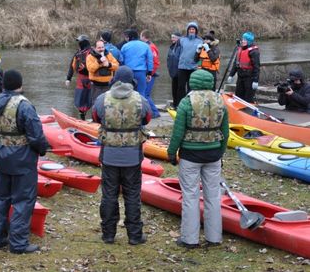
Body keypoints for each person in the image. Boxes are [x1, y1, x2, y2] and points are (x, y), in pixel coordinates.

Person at [0, 70, 50, 254]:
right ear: (20, 84)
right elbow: (36, 136)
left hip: (1, 156)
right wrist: (43, 149)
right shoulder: (24, 105)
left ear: (4, 84)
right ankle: (18, 244)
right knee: (23, 200)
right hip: (22, 159)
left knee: (1, 199)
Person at [167, 70, 229, 248]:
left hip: (191, 156)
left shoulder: (186, 103)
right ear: (210, 82)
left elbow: (178, 132)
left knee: (191, 196)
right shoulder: (220, 101)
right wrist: (221, 152)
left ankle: (189, 238)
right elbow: (225, 132)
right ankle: (214, 237)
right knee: (213, 197)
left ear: (192, 83)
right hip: (214, 154)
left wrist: (172, 153)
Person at [91, 66, 152, 245]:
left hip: (109, 154)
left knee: (109, 194)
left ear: (115, 79)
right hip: (133, 156)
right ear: (132, 80)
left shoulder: (103, 99)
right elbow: (147, 118)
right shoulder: (140, 99)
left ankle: (108, 234)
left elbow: (95, 117)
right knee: (132, 195)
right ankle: (134, 235)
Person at [227, 32, 260, 103]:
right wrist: (231, 75)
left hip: (249, 78)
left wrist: (255, 80)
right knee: (238, 96)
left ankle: (248, 110)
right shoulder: (240, 50)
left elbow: (256, 67)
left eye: (245, 40)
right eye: (243, 39)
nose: (243, 41)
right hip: (240, 77)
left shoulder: (254, 52)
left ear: (249, 41)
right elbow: (235, 64)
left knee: (248, 97)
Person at [65, 35, 92, 119]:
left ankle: (92, 118)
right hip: (81, 79)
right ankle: (82, 118)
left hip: (91, 79)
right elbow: (72, 66)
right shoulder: (77, 53)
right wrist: (68, 78)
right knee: (80, 100)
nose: (79, 44)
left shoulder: (92, 52)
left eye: (80, 42)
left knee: (89, 100)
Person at [176, 22, 203, 107]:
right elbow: (177, 53)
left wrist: (199, 66)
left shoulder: (200, 41)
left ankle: (191, 105)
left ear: (196, 31)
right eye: (190, 29)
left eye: (193, 29)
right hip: (182, 67)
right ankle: (180, 105)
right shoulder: (182, 40)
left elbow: (201, 55)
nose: (192, 31)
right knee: (180, 87)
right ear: (188, 30)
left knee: (191, 87)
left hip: (193, 68)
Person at [119, 29, 153, 96]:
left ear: (129, 37)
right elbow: (150, 60)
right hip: (141, 72)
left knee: (127, 93)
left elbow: (121, 60)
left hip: (128, 72)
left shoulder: (125, 46)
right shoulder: (145, 46)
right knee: (141, 93)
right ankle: (141, 106)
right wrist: (149, 73)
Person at [86, 40, 119, 105]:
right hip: (96, 86)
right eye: (99, 48)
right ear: (95, 48)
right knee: (96, 103)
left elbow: (117, 66)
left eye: (102, 47)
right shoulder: (90, 57)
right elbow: (90, 69)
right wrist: (99, 62)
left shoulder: (109, 55)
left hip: (107, 85)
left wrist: (109, 65)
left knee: (108, 104)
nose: (101, 49)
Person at [140, 30, 161, 118]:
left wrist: (149, 74)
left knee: (146, 94)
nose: (140, 38)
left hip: (150, 74)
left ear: (143, 37)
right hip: (149, 73)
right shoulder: (148, 46)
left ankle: (154, 112)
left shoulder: (150, 47)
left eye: (141, 36)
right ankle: (151, 112)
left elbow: (155, 62)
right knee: (145, 93)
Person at [167, 32, 182, 108]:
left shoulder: (181, 46)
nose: (172, 39)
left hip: (180, 71)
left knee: (180, 89)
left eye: (174, 37)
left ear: (178, 38)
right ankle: (175, 104)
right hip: (173, 72)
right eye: (171, 37)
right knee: (174, 90)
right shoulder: (172, 47)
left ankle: (179, 105)